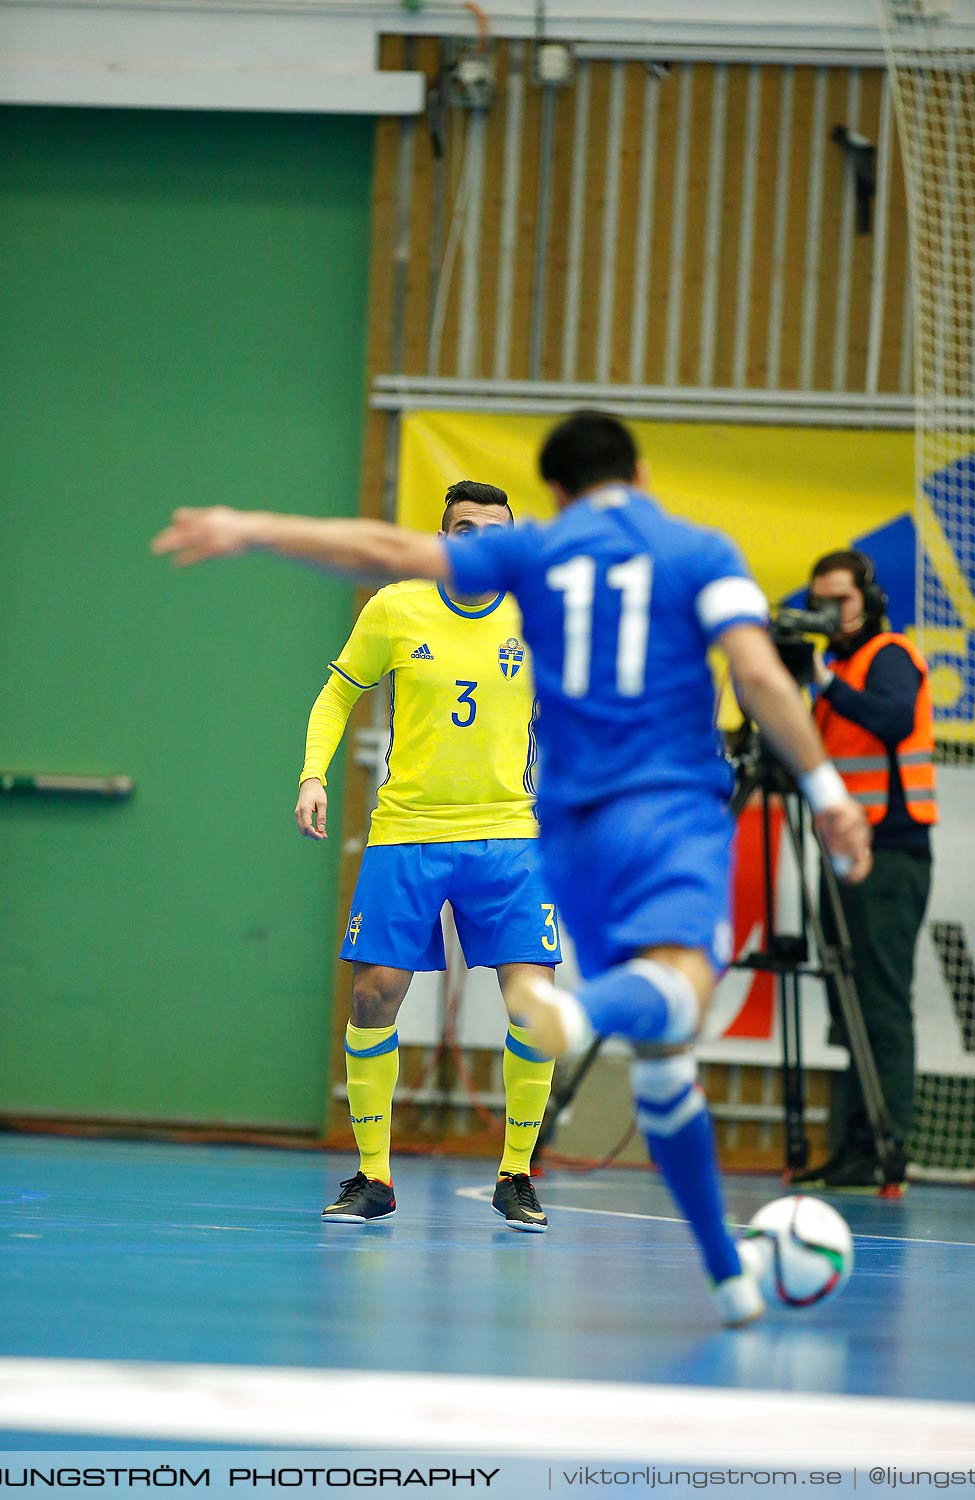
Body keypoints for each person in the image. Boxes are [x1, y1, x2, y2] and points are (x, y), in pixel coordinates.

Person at [153, 410, 871, 1327]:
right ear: (642, 472)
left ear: (553, 501)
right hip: (510, 824)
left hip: (534, 833)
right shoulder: (683, 555)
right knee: (628, 1002)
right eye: (463, 530)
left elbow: (370, 541)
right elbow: (761, 676)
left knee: (606, 1031)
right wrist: (825, 788)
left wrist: (251, 529)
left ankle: (597, 1210)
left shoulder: (537, 580)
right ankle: (392, 1163)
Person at [300, 480, 562, 1231]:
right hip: (408, 832)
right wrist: (313, 775)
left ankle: (516, 1174)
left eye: (494, 530)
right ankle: (374, 1178)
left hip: (508, 834)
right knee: (373, 996)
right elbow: (336, 694)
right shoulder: (396, 607)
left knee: (533, 1004)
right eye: (463, 527)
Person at [791, 550, 936, 1192]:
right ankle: (854, 1148)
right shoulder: (838, 668)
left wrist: (822, 684)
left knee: (878, 1003)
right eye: (820, 601)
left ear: (868, 598)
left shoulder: (888, 656)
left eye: (841, 601)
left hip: (891, 852)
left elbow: (892, 717)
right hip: (844, 854)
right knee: (848, 1008)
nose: (831, 614)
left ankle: (886, 1146)